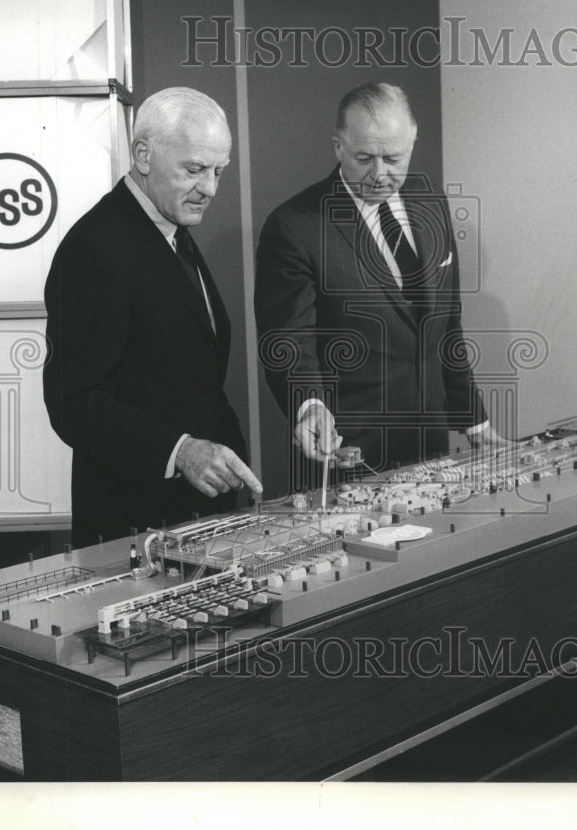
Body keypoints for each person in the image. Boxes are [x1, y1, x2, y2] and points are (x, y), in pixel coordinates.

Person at [44, 87, 261, 546]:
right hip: (133, 525)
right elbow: (74, 402)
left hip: (196, 516)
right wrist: (180, 451)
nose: (211, 189)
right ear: (143, 154)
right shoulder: (95, 246)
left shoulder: (169, 225)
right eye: (195, 169)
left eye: (219, 171)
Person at [255, 82, 502, 474]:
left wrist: (475, 420)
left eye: (393, 158)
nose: (379, 174)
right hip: (346, 455)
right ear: (338, 147)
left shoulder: (430, 199)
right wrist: (310, 407)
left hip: (430, 447)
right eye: (364, 158)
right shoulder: (295, 226)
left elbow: (445, 324)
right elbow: (289, 343)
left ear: (413, 140)